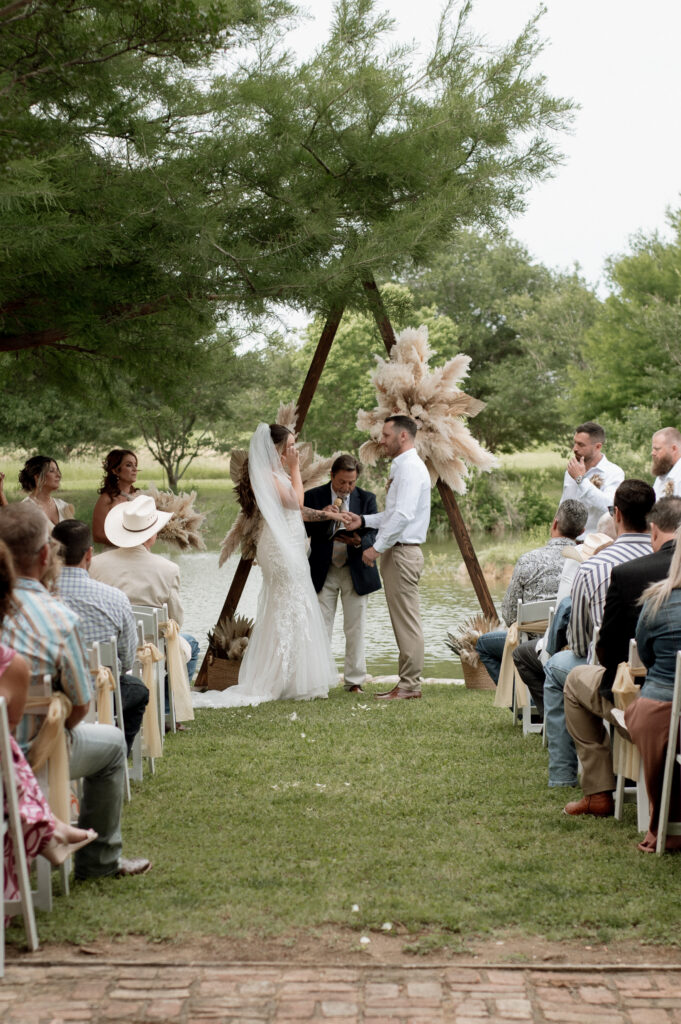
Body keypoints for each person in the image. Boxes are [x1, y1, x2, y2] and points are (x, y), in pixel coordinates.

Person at [0, 502, 151, 878]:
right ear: (43, 554)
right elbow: (82, 707)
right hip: (33, 750)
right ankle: (100, 860)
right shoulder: (57, 617)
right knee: (114, 744)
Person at [193, 423, 350, 709]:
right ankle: (280, 678)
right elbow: (295, 501)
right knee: (288, 606)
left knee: (291, 605)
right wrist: (295, 468)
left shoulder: (272, 474)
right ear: (277, 447)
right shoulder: (268, 474)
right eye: (290, 445)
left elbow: (297, 511)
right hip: (279, 548)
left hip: (286, 542)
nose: (295, 450)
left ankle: (293, 676)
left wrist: (328, 516)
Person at [563, 496, 681, 818]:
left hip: (647, 705)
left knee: (575, 681)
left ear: (654, 530)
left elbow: (612, 651)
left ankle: (598, 792)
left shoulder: (629, 575)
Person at [0, 541, 97, 907]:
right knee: (113, 748)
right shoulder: (13, 663)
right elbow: (82, 704)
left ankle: (50, 828)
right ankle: (81, 849)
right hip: (21, 758)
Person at [542, 479, 655, 789]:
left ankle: (568, 776)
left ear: (616, 514)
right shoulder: (670, 564)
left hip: (617, 684)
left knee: (556, 669)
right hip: (665, 681)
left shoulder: (593, 566)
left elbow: (580, 643)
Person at [345, 415, 431, 701]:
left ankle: (409, 686)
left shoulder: (409, 469)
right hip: (400, 549)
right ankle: (406, 683)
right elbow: (394, 514)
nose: (380, 440)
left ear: (403, 436)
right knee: (403, 620)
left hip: (402, 551)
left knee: (406, 621)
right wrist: (363, 520)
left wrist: (376, 547)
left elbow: (404, 517)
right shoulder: (404, 466)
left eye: (385, 435)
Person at [52, 519, 149, 755]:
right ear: (89, 555)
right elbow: (126, 660)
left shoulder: (38, 597)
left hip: (51, 694)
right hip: (103, 691)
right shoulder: (114, 598)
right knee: (137, 689)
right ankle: (114, 755)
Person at [89, 494, 200, 684]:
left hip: (107, 655)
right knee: (191, 643)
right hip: (151, 654)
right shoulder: (168, 569)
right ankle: (165, 707)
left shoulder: (95, 564)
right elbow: (175, 621)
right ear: (152, 534)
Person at [475, 501, 586, 685]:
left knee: (483, 645)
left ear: (555, 524)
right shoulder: (586, 562)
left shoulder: (528, 560)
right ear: (582, 531)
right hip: (571, 645)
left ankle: (524, 703)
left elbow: (509, 614)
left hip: (529, 646)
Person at [304, 454, 381, 694]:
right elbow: (303, 528)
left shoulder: (367, 498)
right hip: (322, 571)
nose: (346, 488)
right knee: (320, 626)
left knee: (355, 627)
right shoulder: (313, 496)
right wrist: (323, 516)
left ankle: (354, 681)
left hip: (355, 569)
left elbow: (374, 532)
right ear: (332, 477)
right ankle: (319, 680)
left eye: (351, 483)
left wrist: (359, 540)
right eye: (342, 483)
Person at [625, 536, 681, 852]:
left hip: (660, 712)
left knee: (641, 714)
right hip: (665, 714)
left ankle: (665, 826)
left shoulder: (656, 602)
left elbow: (645, 656)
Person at [558, 422, 624, 535]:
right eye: (574, 443)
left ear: (598, 446)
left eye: (581, 445)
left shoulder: (614, 473)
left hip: (596, 543)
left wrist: (581, 480)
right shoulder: (571, 470)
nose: (575, 449)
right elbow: (563, 504)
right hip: (567, 540)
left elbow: (610, 507)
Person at [92, 449, 139, 545]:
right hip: (116, 553)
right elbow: (97, 535)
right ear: (115, 471)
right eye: (129, 465)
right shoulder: (107, 499)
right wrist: (127, 542)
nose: (135, 469)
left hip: (140, 552)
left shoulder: (140, 496)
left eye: (135, 465)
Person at [18, 455, 73, 527]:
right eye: (52, 471)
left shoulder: (63, 506)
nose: (58, 475)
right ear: (37, 477)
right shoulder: (25, 508)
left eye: (57, 470)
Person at [651, 427, 681, 499]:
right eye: (653, 449)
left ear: (674, 449)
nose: (652, 453)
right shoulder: (663, 471)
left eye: (657, 449)